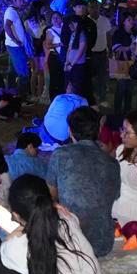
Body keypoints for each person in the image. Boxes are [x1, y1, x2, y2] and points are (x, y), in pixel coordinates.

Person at [45, 107, 121, 257]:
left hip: (69, 239)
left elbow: (50, 196)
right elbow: (114, 196)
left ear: (70, 131)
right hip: (102, 241)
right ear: (99, 130)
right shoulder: (111, 162)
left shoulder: (61, 155)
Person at [3, 0, 31, 94]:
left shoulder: (13, 11)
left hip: (13, 45)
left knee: (13, 70)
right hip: (15, 45)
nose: (22, 2)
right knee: (24, 71)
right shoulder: (11, 11)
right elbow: (6, 26)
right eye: (19, 0)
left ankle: (10, 91)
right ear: (13, 0)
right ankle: (23, 95)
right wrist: (15, 40)